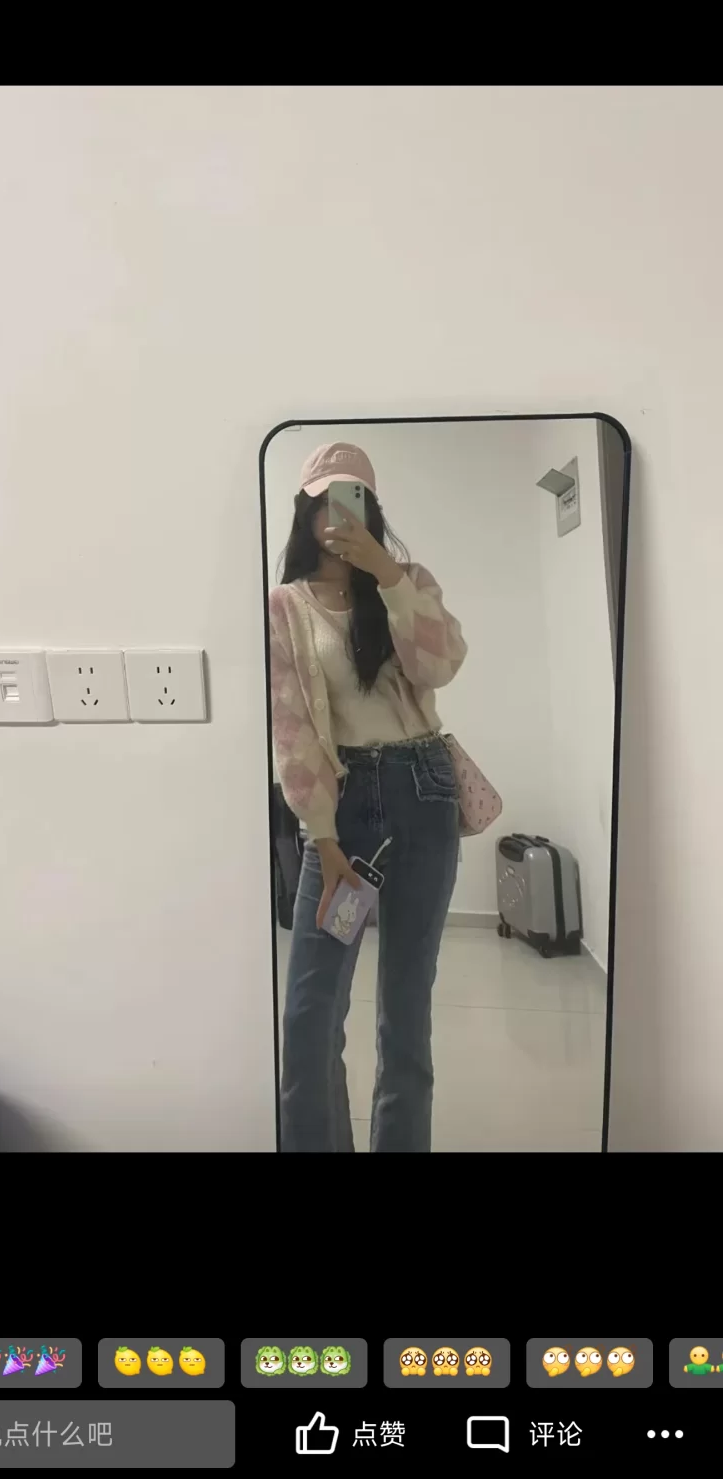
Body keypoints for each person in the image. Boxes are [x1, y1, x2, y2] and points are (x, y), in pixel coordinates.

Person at [269, 442, 468, 1152]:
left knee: (407, 1010)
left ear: (371, 510)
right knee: (310, 1015)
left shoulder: (407, 584)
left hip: (425, 790)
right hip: (343, 807)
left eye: (350, 500)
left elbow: (441, 666)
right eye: (322, 502)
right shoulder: (285, 607)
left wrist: (388, 575)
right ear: (304, 513)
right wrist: (321, 837)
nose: (335, 516)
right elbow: (292, 728)